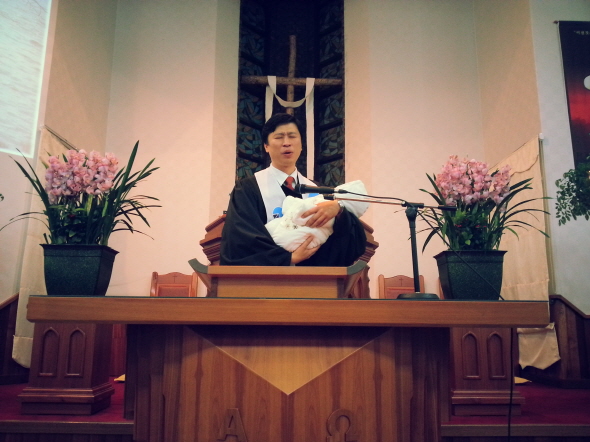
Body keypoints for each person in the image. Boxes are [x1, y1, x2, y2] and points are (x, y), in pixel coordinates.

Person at [220, 113, 366, 266]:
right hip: (267, 278)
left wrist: (339, 210)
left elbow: (347, 242)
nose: (286, 143)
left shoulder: (319, 191)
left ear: (301, 145)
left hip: (314, 277)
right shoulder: (247, 189)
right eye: (279, 137)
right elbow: (240, 240)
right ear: (266, 146)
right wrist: (287, 259)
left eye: (292, 136)